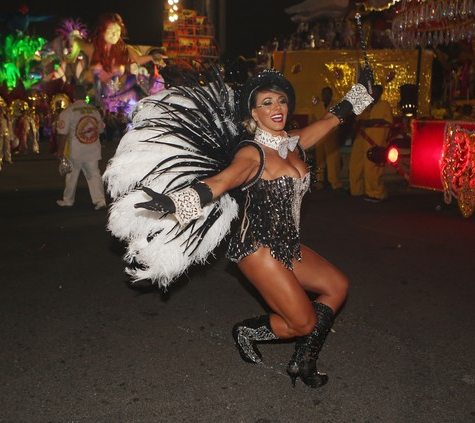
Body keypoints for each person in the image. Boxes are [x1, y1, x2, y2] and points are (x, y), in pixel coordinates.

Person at [104, 63, 374, 388]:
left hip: (286, 244)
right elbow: (219, 182)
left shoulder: (292, 142)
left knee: (338, 286)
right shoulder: (251, 154)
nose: (277, 108)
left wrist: (361, 93)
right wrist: (175, 203)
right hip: (258, 249)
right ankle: (248, 331)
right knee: (303, 323)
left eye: (281, 100)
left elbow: (331, 120)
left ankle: (303, 360)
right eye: (267, 103)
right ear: (254, 113)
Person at [55, 84, 106, 210]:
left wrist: (60, 150)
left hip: (76, 150)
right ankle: (100, 200)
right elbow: (100, 130)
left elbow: (62, 134)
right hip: (92, 149)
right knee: (94, 175)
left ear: (73, 96)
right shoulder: (94, 111)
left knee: (71, 176)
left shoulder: (68, 111)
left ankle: (68, 200)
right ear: (85, 95)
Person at [349, 84, 393, 202]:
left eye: (375, 92)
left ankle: (378, 193)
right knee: (356, 166)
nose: (372, 94)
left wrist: (371, 122)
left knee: (372, 169)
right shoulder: (366, 106)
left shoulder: (385, 105)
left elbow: (388, 121)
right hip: (363, 139)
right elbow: (358, 121)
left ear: (380, 93)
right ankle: (359, 191)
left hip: (376, 141)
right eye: (371, 92)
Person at [313, 86, 343, 190]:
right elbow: (313, 119)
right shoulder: (318, 106)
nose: (325, 96)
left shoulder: (335, 106)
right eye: (323, 93)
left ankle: (335, 183)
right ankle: (319, 181)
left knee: (332, 160)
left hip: (331, 135)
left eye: (327, 93)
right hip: (320, 136)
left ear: (331, 95)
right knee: (320, 160)